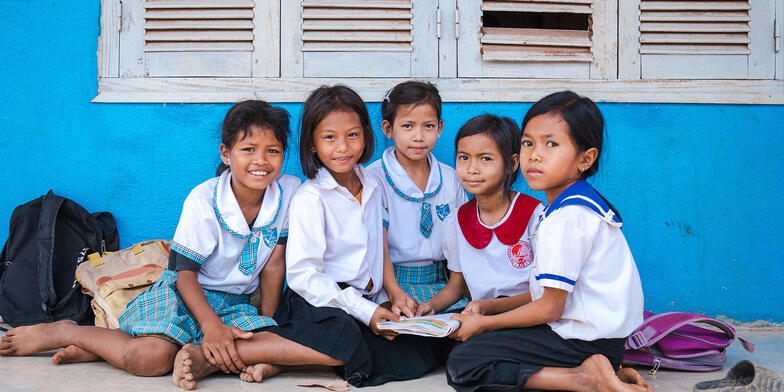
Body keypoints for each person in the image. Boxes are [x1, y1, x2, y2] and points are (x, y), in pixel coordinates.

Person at [0, 100, 343, 391]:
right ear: (226, 153)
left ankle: (106, 348)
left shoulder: (289, 192)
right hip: (185, 291)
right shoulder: (204, 199)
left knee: (269, 345)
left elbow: (273, 265)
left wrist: (268, 324)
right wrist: (211, 327)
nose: (261, 161)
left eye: (273, 151)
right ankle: (68, 332)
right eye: (248, 150)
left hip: (236, 302)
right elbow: (185, 275)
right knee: (150, 359)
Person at [444, 91, 651, 392]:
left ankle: (585, 379)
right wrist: (489, 308)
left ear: (585, 158)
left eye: (551, 144)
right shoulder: (574, 206)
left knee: (464, 362)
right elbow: (549, 296)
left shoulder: (565, 219)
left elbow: (550, 309)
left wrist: (484, 324)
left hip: (581, 341)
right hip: (598, 341)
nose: (534, 155)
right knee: (485, 343)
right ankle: (607, 373)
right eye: (528, 143)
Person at [270, 85, 442, 387]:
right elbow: (304, 275)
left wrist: (392, 297)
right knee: (347, 336)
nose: (343, 147)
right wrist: (366, 311)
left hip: (363, 299)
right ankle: (252, 352)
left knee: (419, 351)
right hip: (318, 301)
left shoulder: (373, 185)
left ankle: (284, 360)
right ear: (312, 144)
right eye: (329, 137)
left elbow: (379, 248)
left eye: (352, 135)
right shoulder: (311, 197)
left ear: (366, 134)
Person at [419, 114, 544, 318]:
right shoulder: (456, 220)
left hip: (527, 316)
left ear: (512, 163)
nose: (472, 169)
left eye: (485, 159)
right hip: (479, 313)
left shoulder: (535, 216)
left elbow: (544, 293)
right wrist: (431, 306)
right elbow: (457, 287)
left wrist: (489, 307)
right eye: (464, 158)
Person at [366, 81, 468, 318]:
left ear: (440, 128)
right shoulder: (374, 178)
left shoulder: (450, 178)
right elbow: (375, 244)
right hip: (389, 287)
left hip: (444, 287)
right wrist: (393, 292)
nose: (419, 136)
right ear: (388, 129)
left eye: (428, 126)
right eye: (408, 126)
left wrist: (450, 292)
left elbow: (462, 242)